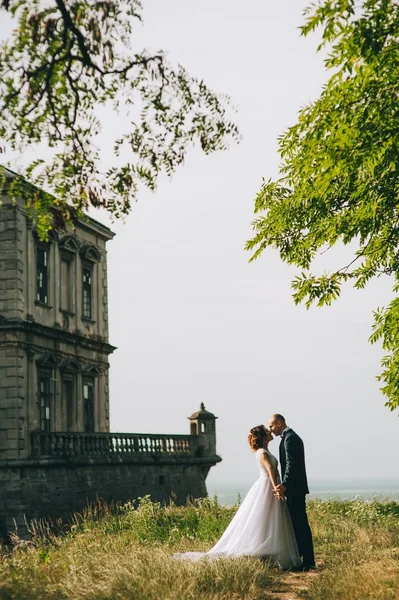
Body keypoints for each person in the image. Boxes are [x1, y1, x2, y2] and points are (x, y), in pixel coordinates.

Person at [174, 425, 301, 569]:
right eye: (267, 431)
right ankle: (264, 552)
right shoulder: (263, 453)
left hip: (268, 486)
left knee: (270, 518)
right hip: (267, 486)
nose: (270, 431)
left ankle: (269, 553)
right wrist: (276, 488)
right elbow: (271, 470)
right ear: (263, 437)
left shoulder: (264, 451)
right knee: (266, 517)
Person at [269, 414, 315, 571]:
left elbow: (292, 465)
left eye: (272, 426)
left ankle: (308, 561)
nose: (270, 429)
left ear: (279, 423)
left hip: (295, 489)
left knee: (300, 524)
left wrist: (285, 484)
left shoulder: (290, 439)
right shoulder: (288, 438)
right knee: (297, 524)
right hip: (294, 489)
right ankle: (304, 558)